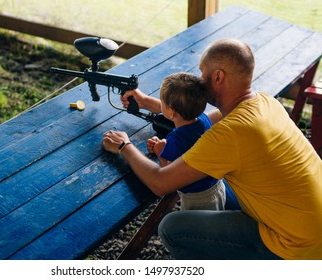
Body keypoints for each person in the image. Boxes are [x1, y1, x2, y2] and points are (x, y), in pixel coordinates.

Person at [102, 38, 322, 260]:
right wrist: (147, 102)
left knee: (172, 228)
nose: (199, 79)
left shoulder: (230, 133)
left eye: (202, 71)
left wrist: (124, 145)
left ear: (218, 76)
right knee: (218, 179)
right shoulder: (264, 102)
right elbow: (199, 119)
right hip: (308, 222)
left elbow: (160, 183)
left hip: (297, 247)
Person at [146, 72, 225, 211]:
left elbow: (169, 175)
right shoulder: (203, 119)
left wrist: (160, 152)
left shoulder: (176, 139)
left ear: (171, 112)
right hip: (216, 186)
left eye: (162, 102)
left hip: (196, 198)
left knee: (202, 230)